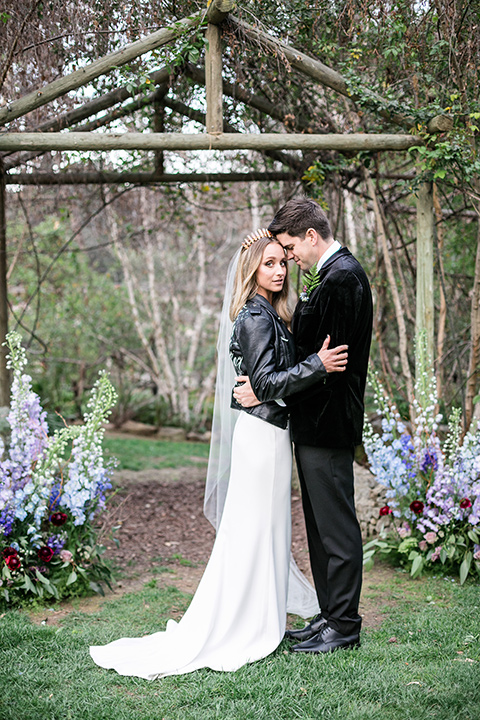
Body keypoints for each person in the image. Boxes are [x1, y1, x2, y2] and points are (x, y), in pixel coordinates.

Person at [89, 228, 348, 678]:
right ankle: (244, 622)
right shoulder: (254, 315)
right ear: (252, 269)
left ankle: (262, 612)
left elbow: (267, 376)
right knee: (251, 529)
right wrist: (318, 366)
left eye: (282, 262)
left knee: (265, 528)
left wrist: (298, 365)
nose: (279, 269)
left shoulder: (273, 312)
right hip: (260, 438)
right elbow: (266, 383)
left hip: (269, 434)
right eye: (268, 262)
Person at [234, 199, 373, 654]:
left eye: (291, 248)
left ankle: (344, 626)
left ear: (311, 237)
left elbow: (331, 363)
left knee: (337, 531)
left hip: (329, 426)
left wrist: (270, 389)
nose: (289, 259)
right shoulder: (328, 278)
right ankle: (330, 615)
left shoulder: (344, 278)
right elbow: (303, 355)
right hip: (311, 426)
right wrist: (268, 386)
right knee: (318, 530)